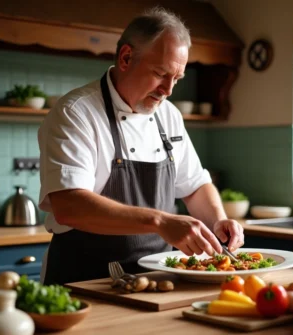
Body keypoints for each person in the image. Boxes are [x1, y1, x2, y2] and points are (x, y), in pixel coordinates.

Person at [38, 7, 245, 285]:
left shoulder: (168, 114)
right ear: (126, 57)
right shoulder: (76, 112)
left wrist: (218, 220)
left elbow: (194, 185)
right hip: (86, 282)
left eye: (177, 78)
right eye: (161, 74)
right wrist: (160, 221)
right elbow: (69, 206)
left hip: (158, 280)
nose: (168, 90)